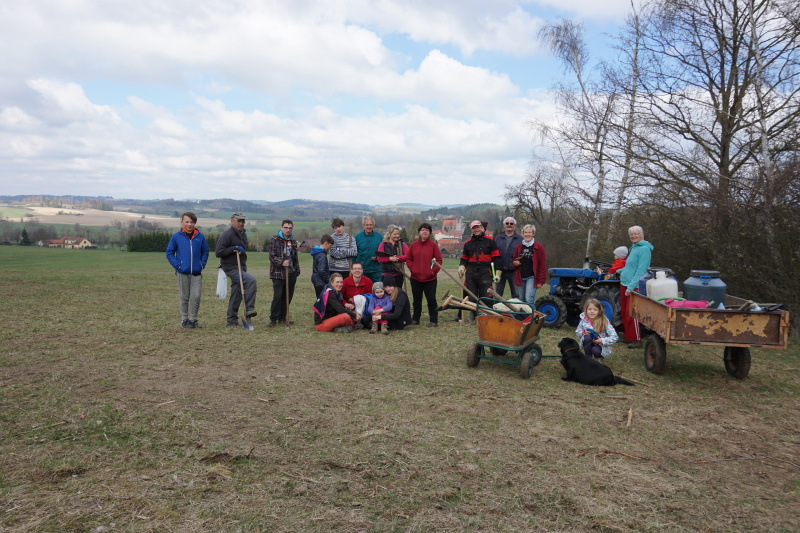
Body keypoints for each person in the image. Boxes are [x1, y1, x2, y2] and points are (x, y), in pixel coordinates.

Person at [165, 212, 209, 329]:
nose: (189, 224)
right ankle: (184, 320)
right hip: (182, 272)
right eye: (187, 222)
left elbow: (205, 251)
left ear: (195, 223)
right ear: (182, 222)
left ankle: (193, 320)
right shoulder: (176, 237)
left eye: (192, 222)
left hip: (196, 273)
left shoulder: (200, 236)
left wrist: (202, 264)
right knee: (184, 297)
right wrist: (177, 266)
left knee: (196, 296)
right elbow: (169, 252)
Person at [216, 213, 257, 327]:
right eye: (238, 221)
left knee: (237, 292)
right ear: (232, 221)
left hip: (240, 267)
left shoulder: (243, 234)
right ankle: (249, 309)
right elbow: (218, 252)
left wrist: (241, 250)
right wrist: (234, 248)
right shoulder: (227, 234)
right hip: (231, 268)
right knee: (251, 281)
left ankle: (231, 320)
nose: (241, 223)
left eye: (243, 221)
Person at [458, 220, 501, 323]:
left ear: (482, 228)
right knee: (472, 297)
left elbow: (496, 258)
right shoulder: (468, 243)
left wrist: (498, 273)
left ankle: (487, 317)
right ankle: (474, 316)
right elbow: (464, 258)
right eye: (474, 228)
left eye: (478, 227)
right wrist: (461, 267)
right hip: (471, 272)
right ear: (471, 229)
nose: (476, 229)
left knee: (486, 296)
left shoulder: (490, 241)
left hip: (485, 272)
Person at [618, 226, 653, 348]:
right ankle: (628, 336)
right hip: (624, 283)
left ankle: (636, 339)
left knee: (632, 313)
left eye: (636, 233)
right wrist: (619, 271)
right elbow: (630, 267)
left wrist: (631, 287)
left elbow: (641, 270)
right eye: (631, 234)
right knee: (624, 312)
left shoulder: (644, 249)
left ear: (642, 234)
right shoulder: (634, 248)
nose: (633, 236)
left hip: (634, 286)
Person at [406, 222, 442, 327]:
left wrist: (433, 272)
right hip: (415, 278)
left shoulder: (433, 245)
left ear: (430, 232)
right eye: (423, 230)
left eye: (427, 230)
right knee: (416, 300)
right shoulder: (413, 245)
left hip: (430, 279)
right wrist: (412, 269)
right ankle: (415, 319)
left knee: (431, 300)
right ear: (419, 232)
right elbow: (408, 259)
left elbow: (439, 260)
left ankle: (433, 320)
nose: (424, 232)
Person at [268, 220, 300, 327]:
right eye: (286, 227)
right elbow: (272, 256)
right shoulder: (275, 239)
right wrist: (282, 262)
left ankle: (282, 318)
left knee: (287, 297)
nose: (288, 230)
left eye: (290, 228)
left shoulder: (293, 241)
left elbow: (295, 258)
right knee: (278, 296)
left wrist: (296, 270)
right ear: (282, 228)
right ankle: (273, 319)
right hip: (278, 273)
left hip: (291, 273)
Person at [511, 224, 547, 308]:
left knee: (529, 300)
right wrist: (515, 263)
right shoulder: (519, 247)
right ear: (523, 234)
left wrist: (541, 281)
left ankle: (533, 316)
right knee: (521, 300)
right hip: (520, 277)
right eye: (525, 232)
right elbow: (514, 261)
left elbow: (542, 265)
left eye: (529, 232)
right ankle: (523, 316)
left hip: (531, 277)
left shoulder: (538, 247)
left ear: (533, 234)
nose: (527, 234)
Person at [494, 216, 523, 298]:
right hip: (500, 271)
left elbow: (522, 255)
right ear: (504, 225)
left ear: (514, 225)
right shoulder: (498, 238)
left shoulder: (520, 239)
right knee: (498, 294)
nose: (509, 225)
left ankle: (515, 306)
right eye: (507, 223)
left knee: (516, 294)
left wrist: (519, 263)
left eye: (511, 223)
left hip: (514, 271)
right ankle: (497, 306)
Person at [377, 224, 409, 289]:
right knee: (386, 293)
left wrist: (397, 258)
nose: (397, 236)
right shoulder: (383, 244)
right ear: (389, 234)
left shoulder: (402, 244)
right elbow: (379, 259)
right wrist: (390, 259)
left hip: (399, 274)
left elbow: (408, 256)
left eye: (398, 234)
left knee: (397, 292)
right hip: (386, 275)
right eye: (395, 234)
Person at [355, 217, 383, 283]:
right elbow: (354, 254)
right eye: (367, 225)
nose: (369, 227)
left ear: (373, 226)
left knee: (377, 288)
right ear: (363, 225)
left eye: (371, 225)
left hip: (376, 270)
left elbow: (383, 251)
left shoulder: (379, 237)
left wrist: (377, 258)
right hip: (362, 270)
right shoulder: (357, 237)